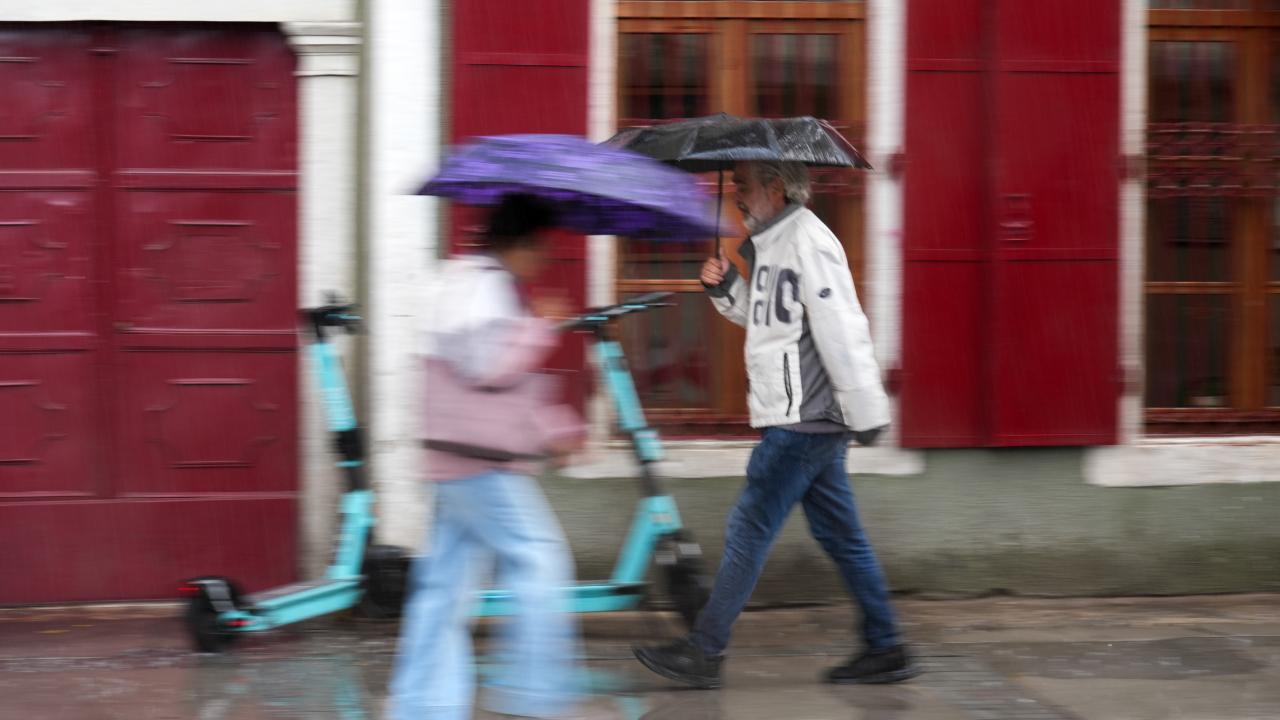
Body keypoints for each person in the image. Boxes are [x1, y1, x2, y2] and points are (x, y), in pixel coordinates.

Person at [632, 161, 918, 688]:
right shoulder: (772, 242)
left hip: (802, 419)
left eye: (744, 185)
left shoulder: (809, 240)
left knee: (749, 529)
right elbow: (767, 321)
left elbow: (843, 328)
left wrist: (868, 409)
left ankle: (705, 651)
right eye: (736, 184)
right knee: (842, 536)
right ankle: (887, 646)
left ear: (777, 188)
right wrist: (727, 286)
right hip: (805, 418)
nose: (736, 195)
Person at [387, 194, 586, 720]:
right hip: (479, 463)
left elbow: (491, 388)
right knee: (540, 558)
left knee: (443, 587)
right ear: (519, 243)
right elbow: (487, 369)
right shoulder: (484, 287)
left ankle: (422, 705)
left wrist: (554, 428)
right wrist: (540, 329)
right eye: (541, 246)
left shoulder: (460, 279)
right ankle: (537, 693)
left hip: (452, 459)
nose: (543, 258)